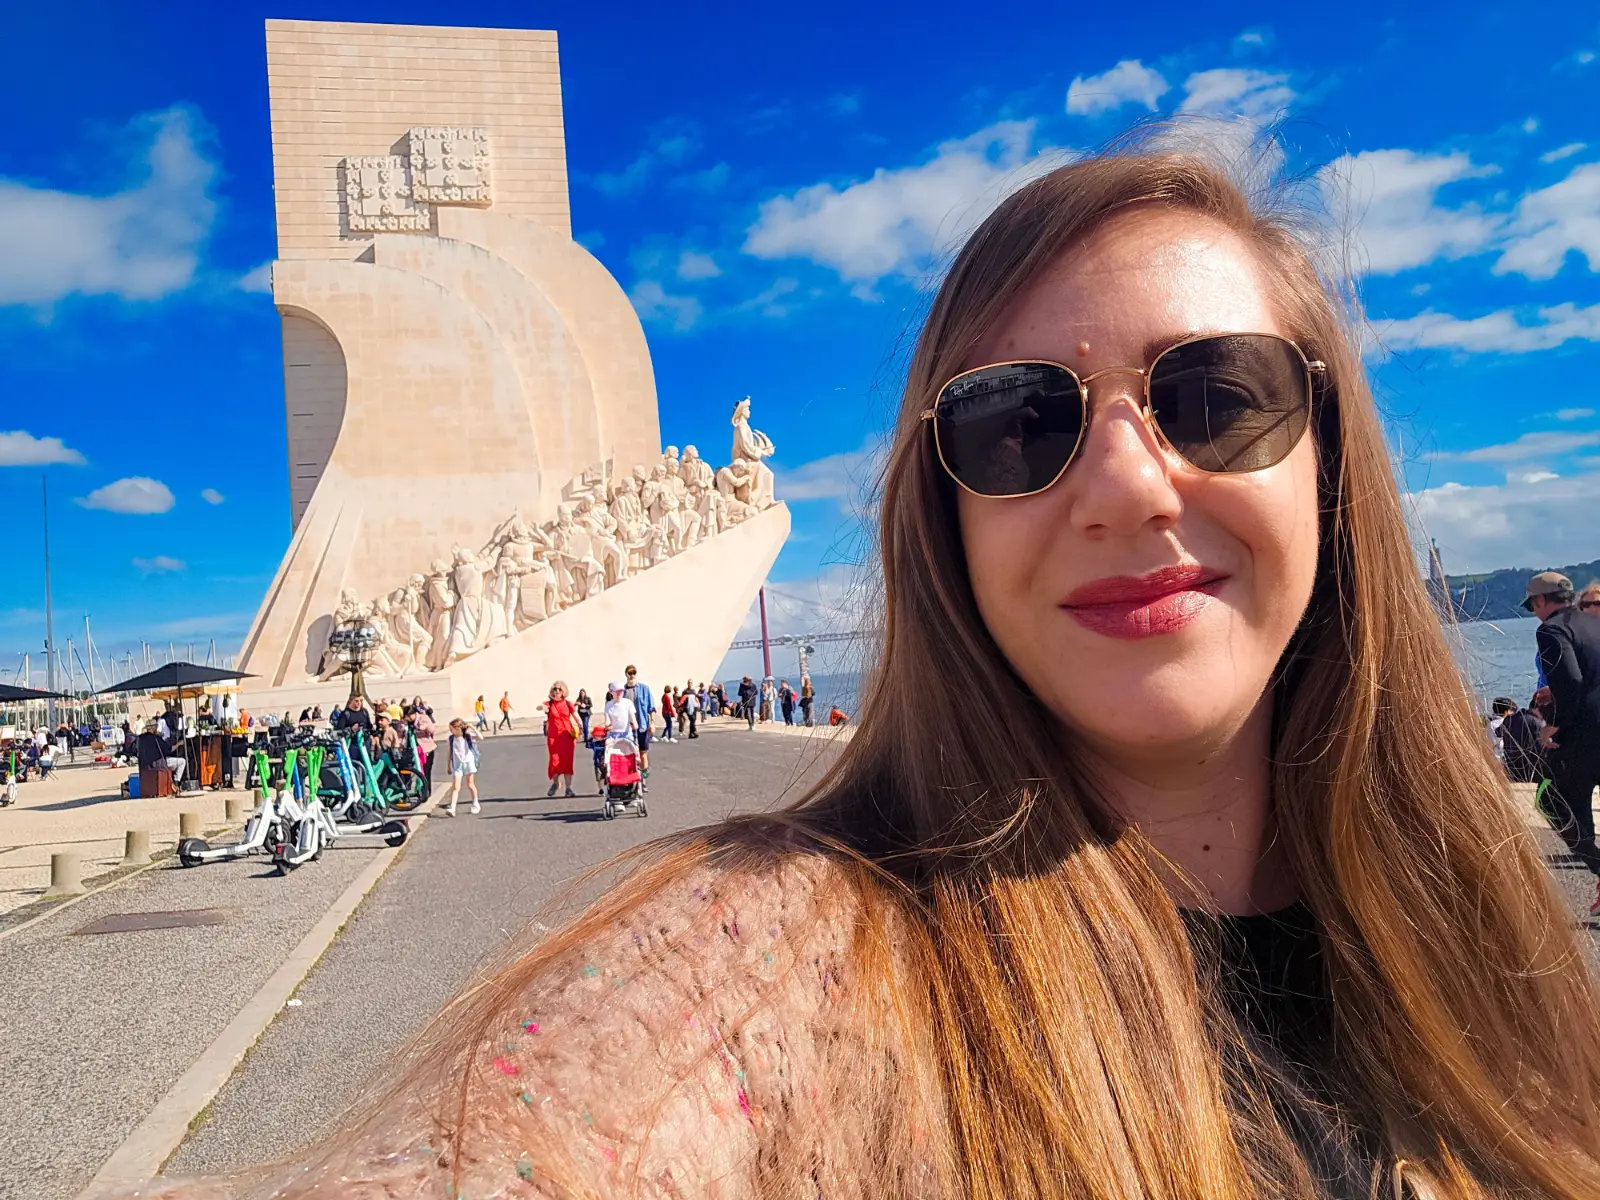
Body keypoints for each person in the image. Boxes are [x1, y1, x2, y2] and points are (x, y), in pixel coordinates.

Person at [130, 145, 1600, 1200]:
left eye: (1217, 396)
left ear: (1333, 459)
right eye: (1020, 424)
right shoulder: (785, 962)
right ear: (941, 517)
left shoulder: (1494, 940)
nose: (1129, 486)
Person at [1526, 570, 1600, 910]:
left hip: (1584, 737)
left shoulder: (1552, 630)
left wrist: (1553, 725)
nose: (1535, 613)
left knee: (1553, 804)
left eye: (1533, 606)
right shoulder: (1594, 625)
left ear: (1541, 601)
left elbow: (1571, 680)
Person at [1492, 696, 1544, 785]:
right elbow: (1540, 748)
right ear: (1538, 709)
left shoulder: (1510, 718)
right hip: (1528, 771)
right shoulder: (1536, 723)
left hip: (1510, 768)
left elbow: (1498, 732)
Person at [540, 682, 578, 798]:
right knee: (554, 762)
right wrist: (542, 707)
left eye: (560, 690)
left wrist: (581, 727)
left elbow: (576, 716)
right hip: (554, 738)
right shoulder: (549, 704)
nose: (557, 691)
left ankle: (568, 788)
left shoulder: (568, 704)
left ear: (563, 692)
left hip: (567, 736)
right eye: (555, 689)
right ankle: (556, 784)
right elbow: (541, 706)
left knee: (567, 762)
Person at [623, 665, 653, 790]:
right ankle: (631, 780)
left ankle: (643, 780)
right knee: (629, 754)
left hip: (642, 726)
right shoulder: (622, 691)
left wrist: (652, 723)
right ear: (626, 674)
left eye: (633, 673)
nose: (631, 675)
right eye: (629, 673)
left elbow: (651, 708)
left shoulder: (644, 689)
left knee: (643, 753)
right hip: (627, 728)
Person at [443, 719, 479, 816]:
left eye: (452, 728)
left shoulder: (467, 736)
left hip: (468, 763)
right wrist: (448, 765)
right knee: (455, 787)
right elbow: (450, 752)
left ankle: (475, 803)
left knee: (470, 784)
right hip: (457, 764)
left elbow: (481, 737)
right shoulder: (451, 739)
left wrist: (471, 727)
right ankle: (452, 808)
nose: (450, 730)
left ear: (458, 728)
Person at [408, 705, 437, 797]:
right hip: (414, 750)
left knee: (426, 771)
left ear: (412, 714)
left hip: (426, 749)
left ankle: (426, 792)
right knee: (417, 771)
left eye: (407, 717)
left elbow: (432, 729)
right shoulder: (408, 723)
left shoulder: (423, 718)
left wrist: (424, 727)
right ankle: (419, 790)